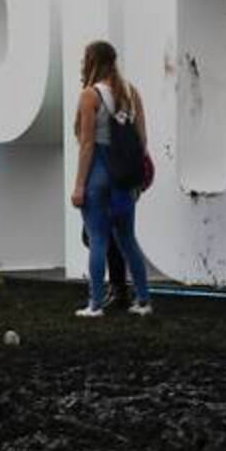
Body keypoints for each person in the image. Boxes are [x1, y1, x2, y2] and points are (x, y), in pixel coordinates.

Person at [72, 40, 152, 317]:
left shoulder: (90, 95)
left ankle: (95, 304)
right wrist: (137, 177)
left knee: (97, 238)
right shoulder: (132, 93)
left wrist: (79, 185)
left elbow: (87, 144)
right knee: (128, 238)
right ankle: (143, 301)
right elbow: (142, 139)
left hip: (99, 171)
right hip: (125, 175)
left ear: (92, 61)